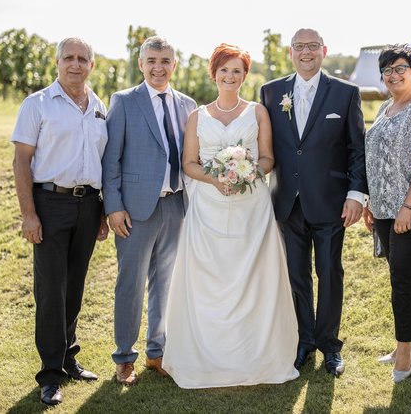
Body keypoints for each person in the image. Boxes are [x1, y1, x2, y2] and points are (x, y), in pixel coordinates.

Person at [162, 43, 299, 388]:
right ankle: (205, 355)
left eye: (237, 70)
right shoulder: (198, 116)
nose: (230, 76)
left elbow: (268, 158)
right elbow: (189, 164)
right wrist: (218, 178)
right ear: (214, 73)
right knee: (209, 279)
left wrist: (247, 174)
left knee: (253, 278)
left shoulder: (257, 113)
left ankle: (256, 355)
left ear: (244, 76)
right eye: (224, 69)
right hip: (207, 208)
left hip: (251, 208)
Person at [260, 28, 367, 376]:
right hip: (287, 203)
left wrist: (355, 194)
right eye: (299, 46)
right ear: (291, 52)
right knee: (296, 276)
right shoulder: (271, 92)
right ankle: (303, 341)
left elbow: (356, 148)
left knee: (330, 273)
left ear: (324, 50)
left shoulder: (345, 93)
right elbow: (264, 144)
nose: (306, 52)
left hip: (331, 203)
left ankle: (330, 346)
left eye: (312, 46)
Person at [11, 37, 109, 406]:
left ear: (91, 66)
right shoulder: (36, 104)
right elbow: (22, 162)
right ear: (57, 62)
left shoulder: (99, 106)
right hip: (50, 203)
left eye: (83, 58)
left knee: (75, 287)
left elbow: (101, 162)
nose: (75, 64)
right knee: (51, 290)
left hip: (89, 206)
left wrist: (101, 213)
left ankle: (69, 359)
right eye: (68, 57)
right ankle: (50, 374)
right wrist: (29, 214)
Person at [101, 36, 196, 386]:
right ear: (141, 64)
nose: (159, 67)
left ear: (174, 64)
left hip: (176, 205)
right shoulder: (125, 102)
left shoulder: (187, 105)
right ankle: (124, 357)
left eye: (166, 60)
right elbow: (111, 161)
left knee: (166, 284)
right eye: (152, 60)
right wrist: (113, 208)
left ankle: (158, 352)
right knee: (131, 284)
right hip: (136, 210)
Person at [362, 44, 411, 383]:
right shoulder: (385, 107)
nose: (393, 75)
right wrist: (370, 201)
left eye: (400, 68)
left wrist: (407, 206)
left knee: (401, 273)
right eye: (387, 70)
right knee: (410, 270)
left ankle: (404, 348)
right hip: (382, 208)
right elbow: (376, 157)